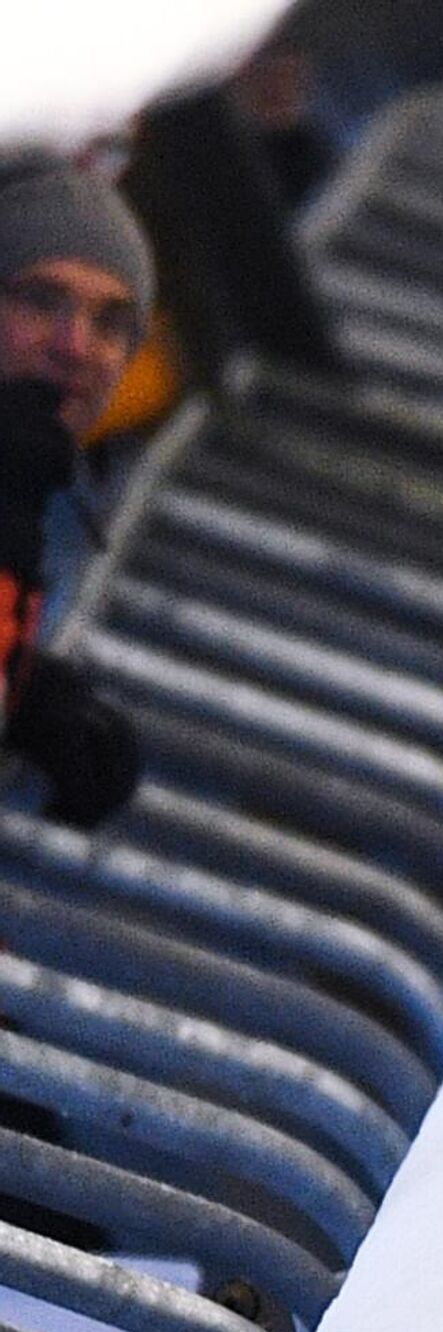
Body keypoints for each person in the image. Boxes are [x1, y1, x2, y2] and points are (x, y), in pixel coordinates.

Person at [0, 150, 149, 826]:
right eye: (40, 301)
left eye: (110, 322)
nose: (74, 346)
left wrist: (26, 694)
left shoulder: (35, 485)